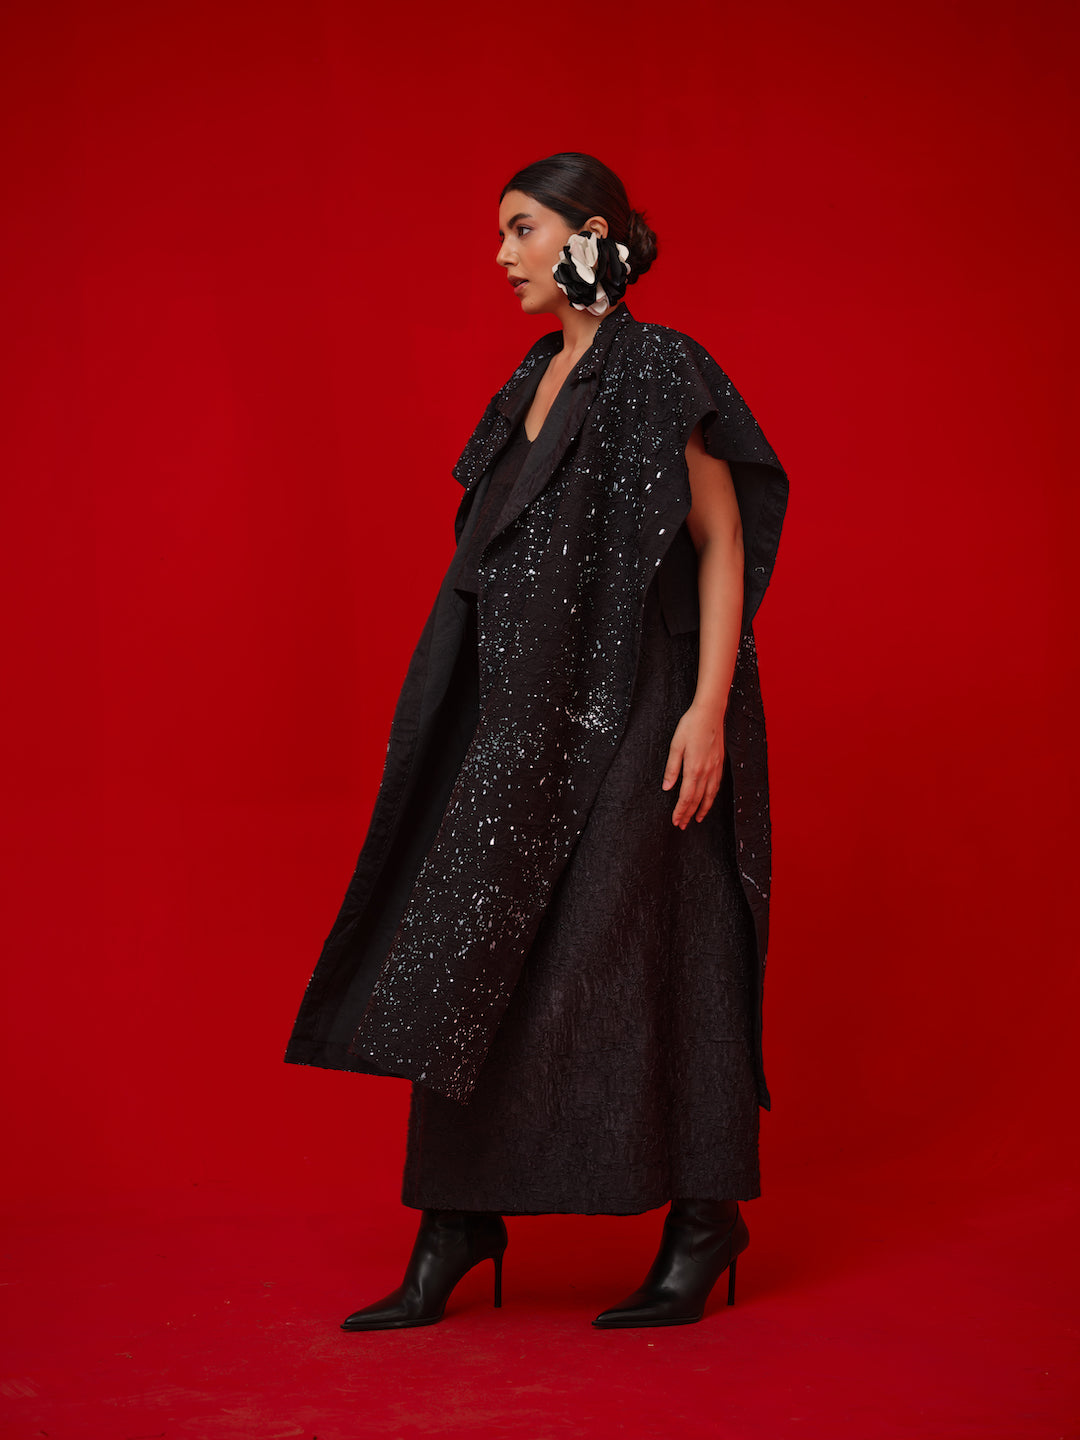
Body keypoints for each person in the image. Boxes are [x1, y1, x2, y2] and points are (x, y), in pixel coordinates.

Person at [283, 152, 788, 1330]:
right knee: (476, 949)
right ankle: (457, 1219)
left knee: (656, 944)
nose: (502, 254)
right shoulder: (531, 378)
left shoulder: (658, 365)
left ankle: (703, 1218)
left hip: (641, 702)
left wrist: (708, 709)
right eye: (503, 232)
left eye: (522, 229)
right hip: (520, 715)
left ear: (590, 234)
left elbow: (719, 537)